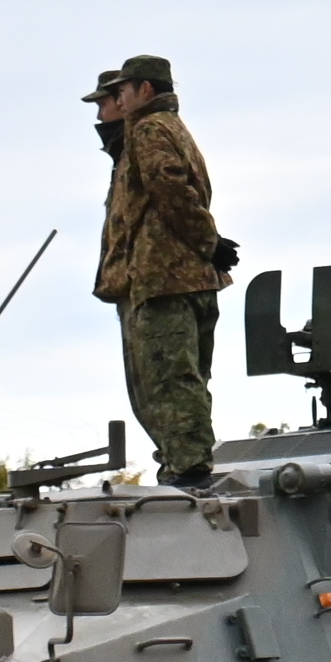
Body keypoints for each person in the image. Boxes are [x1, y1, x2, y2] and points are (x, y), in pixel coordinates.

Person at [90, 53, 238, 488]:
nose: (115, 102)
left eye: (121, 92)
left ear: (145, 90)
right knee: (181, 380)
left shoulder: (150, 130)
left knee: (167, 383)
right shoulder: (170, 129)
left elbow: (169, 185)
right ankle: (184, 462)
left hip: (164, 279)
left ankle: (188, 468)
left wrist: (208, 242)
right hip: (175, 277)